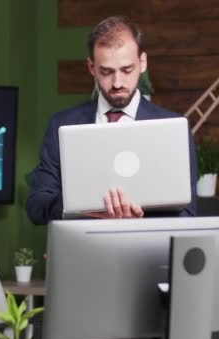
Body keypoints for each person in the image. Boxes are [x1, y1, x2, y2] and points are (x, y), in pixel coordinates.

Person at [26, 15, 197, 225]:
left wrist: (139, 217)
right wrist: (82, 203)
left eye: (127, 70)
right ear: (91, 67)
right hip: (85, 251)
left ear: (142, 63)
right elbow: (36, 207)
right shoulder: (62, 124)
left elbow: (188, 214)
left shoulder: (173, 128)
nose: (117, 83)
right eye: (106, 72)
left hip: (148, 254)